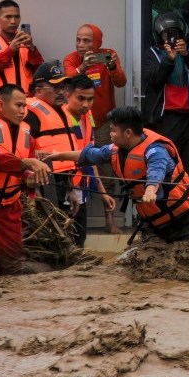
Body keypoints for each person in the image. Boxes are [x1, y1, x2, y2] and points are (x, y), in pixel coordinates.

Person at [46, 106, 189, 244]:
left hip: (184, 221)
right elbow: (89, 155)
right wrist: (57, 156)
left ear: (128, 132)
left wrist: (150, 190)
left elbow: (157, 171)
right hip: (155, 225)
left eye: (113, 130)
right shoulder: (115, 150)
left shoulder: (156, 150)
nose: (110, 134)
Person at [25, 63, 102, 247]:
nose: (61, 92)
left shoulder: (64, 114)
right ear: (38, 90)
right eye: (55, 87)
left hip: (62, 185)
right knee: (48, 239)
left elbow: (65, 160)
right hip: (43, 187)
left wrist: (70, 190)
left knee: (69, 237)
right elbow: (22, 152)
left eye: (62, 87)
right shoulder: (29, 114)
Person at [63, 23, 127, 233]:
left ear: (97, 43)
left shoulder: (107, 55)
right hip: (77, 122)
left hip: (104, 124)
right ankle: (74, 222)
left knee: (107, 169)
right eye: (78, 39)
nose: (81, 44)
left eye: (87, 40)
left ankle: (109, 220)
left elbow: (121, 82)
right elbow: (69, 80)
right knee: (75, 167)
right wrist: (83, 67)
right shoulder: (72, 59)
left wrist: (112, 67)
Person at [141, 11, 189, 188]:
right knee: (166, 164)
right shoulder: (152, 53)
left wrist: (186, 54)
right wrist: (169, 60)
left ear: (182, 33)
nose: (171, 37)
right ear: (159, 35)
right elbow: (154, 78)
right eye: (166, 34)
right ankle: (166, 203)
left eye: (174, 33)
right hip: (165, 119)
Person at [0, 85, 48, 274]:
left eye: (24, 106)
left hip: (8, 207)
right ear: (1, 104)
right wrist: (26, 163)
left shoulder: (27, 134)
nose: (23, 111)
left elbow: (25, 169)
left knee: (12, 267)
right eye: (18, 105)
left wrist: (30, 178)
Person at [0, 0, 45, 93]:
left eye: (17, 17)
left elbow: (40, 72)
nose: (13, 21)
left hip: (26, 97)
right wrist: (10, 51)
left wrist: (32, 49)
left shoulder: (25, 41)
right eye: (8, 17)